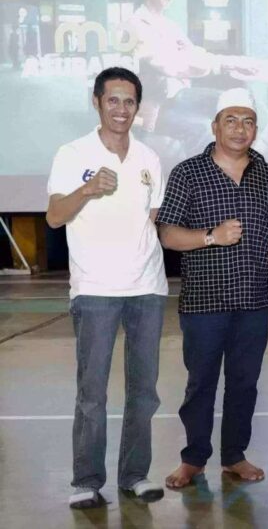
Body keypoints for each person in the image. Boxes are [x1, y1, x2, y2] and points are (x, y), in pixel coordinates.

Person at [157, 88, 268, 488]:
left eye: (248, 120)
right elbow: (167, 234)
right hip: (204, 303)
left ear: (256, 129)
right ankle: (194, 458)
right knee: (200, 384)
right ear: (215, 126)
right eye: (231, 120)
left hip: (253, 300)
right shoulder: (188, 172)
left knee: (245, 384)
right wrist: (212, 237)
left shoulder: (267, 174)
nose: (240, 128)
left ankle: (235, 455)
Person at [46, 67, 167, 508]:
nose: (121, 109)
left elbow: (151, 221)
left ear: (138, 106)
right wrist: (88, 188)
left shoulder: (150, 158)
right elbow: (54, 216)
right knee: (92, 391)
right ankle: (87, 480)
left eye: (129, 101)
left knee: (144, 390)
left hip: (147, 289)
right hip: (94, 289)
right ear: (96, 101)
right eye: (112, 100)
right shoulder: (72, 152)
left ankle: (134, 475)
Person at [127, 0, 257, 132]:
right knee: (204, 129)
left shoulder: (169, 25)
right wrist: (222, 66)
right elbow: (170, 65)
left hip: (179, 95)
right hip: (158, 104)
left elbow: (194, 54)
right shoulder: (136, 24)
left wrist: (234, 63)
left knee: (234, 101)